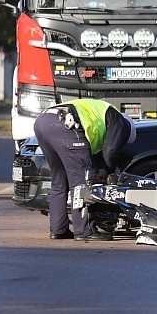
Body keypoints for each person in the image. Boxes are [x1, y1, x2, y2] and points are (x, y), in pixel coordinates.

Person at [33, 99, 136, 242]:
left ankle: (58, 229)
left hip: (43, 121)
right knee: (83, 181)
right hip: (66, 123)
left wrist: (100, 167)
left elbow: (96, 151)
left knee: (59, 180)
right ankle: (85, 230)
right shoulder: (119, 121)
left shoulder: (101, 112)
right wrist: (105, 171)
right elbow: (111, 149)